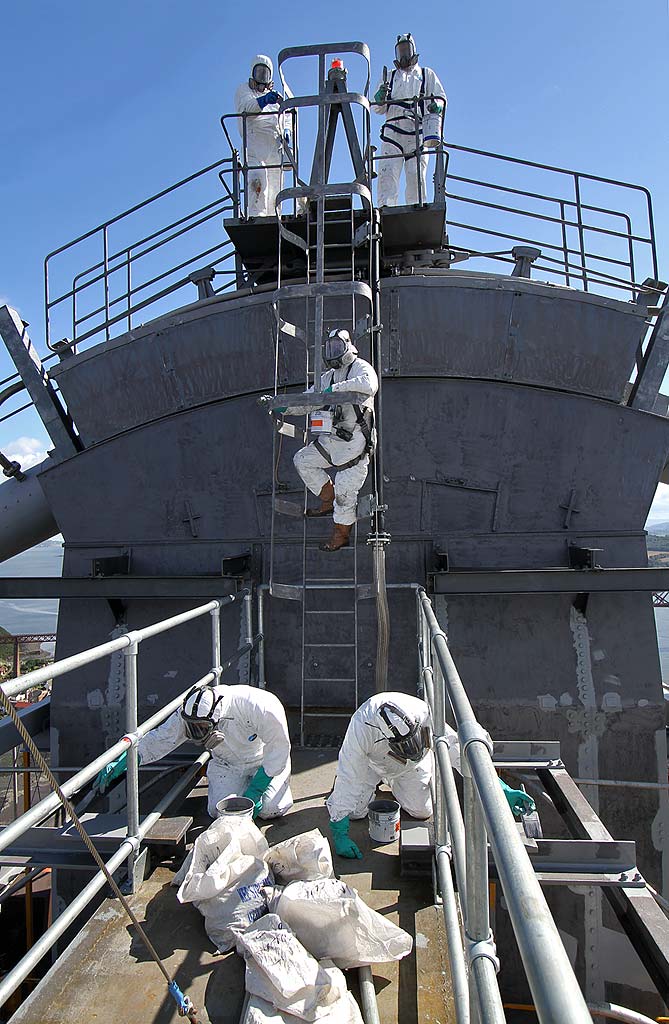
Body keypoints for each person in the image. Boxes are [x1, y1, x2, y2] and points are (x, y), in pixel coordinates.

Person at [326, 691, 536, 859]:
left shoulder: (422, 712)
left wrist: (499, 787)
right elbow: (349, 773)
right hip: (373, 764)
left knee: (421, 811)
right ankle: (371, 785)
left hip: (411, 765)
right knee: (354, 813)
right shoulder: (361, 729)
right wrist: (340, 833)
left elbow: (456, 750)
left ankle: (395, 784)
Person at [95, 684, 293, 820]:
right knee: (222, 812)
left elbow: (279, 747)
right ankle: (241, 789)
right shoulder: (193, 709)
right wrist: (128, 758)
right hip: (227, 764)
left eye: (201, 727)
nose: (196, 732)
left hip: (263, 761)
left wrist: (257, 789)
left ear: (218, 719)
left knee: (270, 809)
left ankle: (267, 787)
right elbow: (163, 738)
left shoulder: (260, 705)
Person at [290, 329, 378, 552]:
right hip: (333, 440)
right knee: (302, 460)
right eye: (330, 349)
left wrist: (334, 391)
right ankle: (326, 500)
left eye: (337, 347)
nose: (333, 353)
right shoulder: (328, 376)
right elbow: (309, 399)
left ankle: (340, 536)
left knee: (345, 496)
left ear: (348, 346)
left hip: (355, 445)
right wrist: (284, 406)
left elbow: (369, 385)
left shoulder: (360, 367)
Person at [372, 34, 447, 207]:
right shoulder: (389, 76)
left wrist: (436, 105)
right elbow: (377, 108)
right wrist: (380, 96)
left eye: (406, 50)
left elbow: (441, 97)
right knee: (388, 172)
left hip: (417, 130)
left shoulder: (426, 74)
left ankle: (417, 207)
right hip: (392, 131)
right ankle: (386, 208)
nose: (404, 54)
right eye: (400, 51)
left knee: (416, 174)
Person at [234, 55, 288, 217]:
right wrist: (264, 101)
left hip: (273, 145)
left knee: (275, 184)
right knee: (257, 178)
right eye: (259, 72)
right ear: (253, 72)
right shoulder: (244, 90)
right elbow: (245, 108)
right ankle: (256, 215)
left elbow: (287, 115)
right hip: (254, 143)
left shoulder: (275, 96)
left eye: (265, 74)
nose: (262, 77)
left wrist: (287, 131)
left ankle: (274, 216)